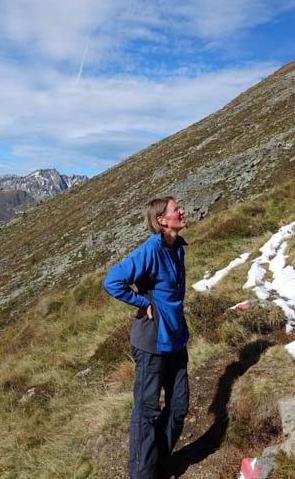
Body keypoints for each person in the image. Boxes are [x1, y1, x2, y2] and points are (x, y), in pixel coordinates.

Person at [103, 196, 189, 479]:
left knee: (178, 407)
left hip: (176, 339)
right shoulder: (150, 249)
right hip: (152, 341)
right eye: (177, 209)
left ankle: (158, 463)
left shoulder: (178, 248)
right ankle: (142, 474)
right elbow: (112, 280)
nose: (182, 211)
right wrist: (141, 302)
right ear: (162, 220)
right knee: (147, 411)